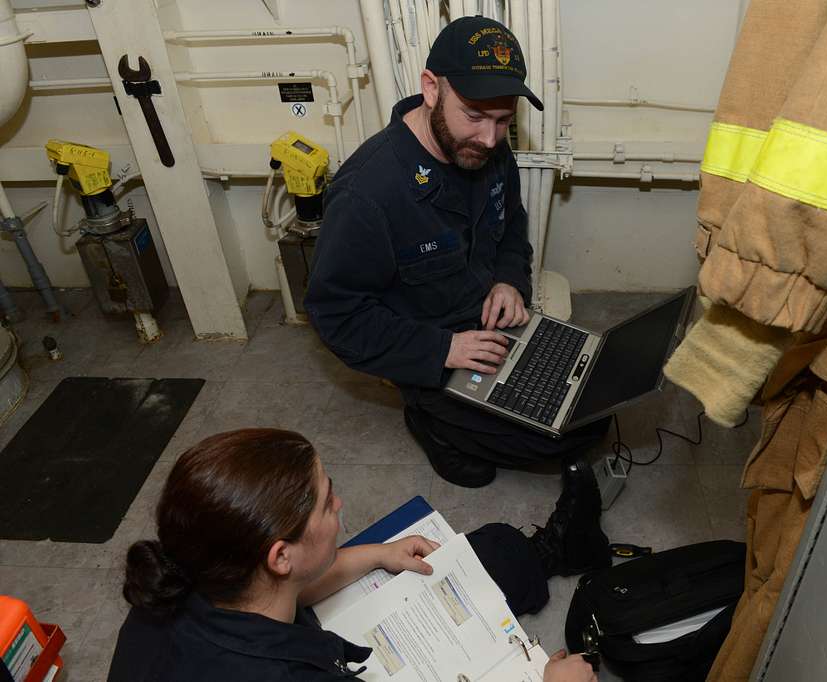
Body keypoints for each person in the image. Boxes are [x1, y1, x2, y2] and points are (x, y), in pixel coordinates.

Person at [305, 16, 609, 489]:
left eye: (504, 121)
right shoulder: (368, 193)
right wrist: (444, 349)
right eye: (474, 115)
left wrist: (510, 280)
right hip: (430, 349)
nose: (490, 139)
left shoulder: (487, 148)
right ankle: (431, 423)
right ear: (431, 88)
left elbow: (512, 226)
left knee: (593, 409)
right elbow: (336, 315)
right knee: (558, 440)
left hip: (489, 323)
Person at [107, 428, 602, 682]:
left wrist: (376, 555)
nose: (339, 504)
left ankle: (555, 551)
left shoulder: (176, 583)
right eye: (327, 501)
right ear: (280, 557)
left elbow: (284, 585)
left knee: (490, 555)